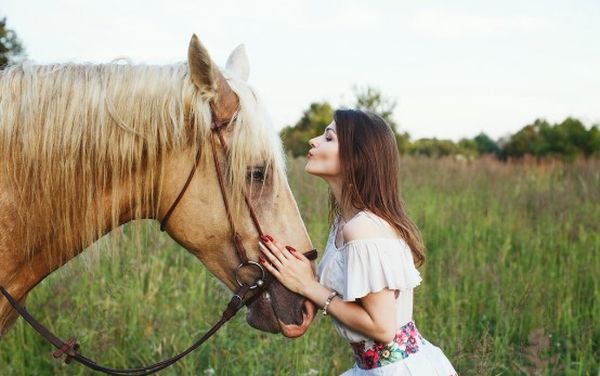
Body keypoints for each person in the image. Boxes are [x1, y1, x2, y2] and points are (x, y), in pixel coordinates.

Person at [258, 109, 458, 375]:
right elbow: (348, 296)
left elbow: (382, 327)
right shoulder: (344, 223)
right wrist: (306, 284)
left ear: (356, 157)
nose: (313, 141)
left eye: (329, 138)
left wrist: (308, 286)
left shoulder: (364, 228)